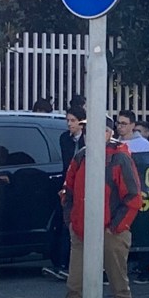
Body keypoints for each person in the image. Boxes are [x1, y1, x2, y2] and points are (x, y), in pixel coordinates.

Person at [61, 116, 143, 298]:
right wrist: (71, 221)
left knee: (118, 287)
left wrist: (114, 228)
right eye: (87, 130)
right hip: (81, 232)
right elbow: (67, 191)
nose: (89, 134)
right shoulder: (81, 156)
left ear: (109, 133)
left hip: (111, 233)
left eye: (96, 130)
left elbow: (133, 197)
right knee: (75, 286)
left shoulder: (120, 158)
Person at [43, 104, 86, 281]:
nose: (69, 124)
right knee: (63, 224)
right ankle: (60, 263)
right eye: (68, 120)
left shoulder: (88, 139)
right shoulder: (64, 138)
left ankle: (73, 264)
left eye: (73, 121)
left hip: (83, 185)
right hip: (69, 185)